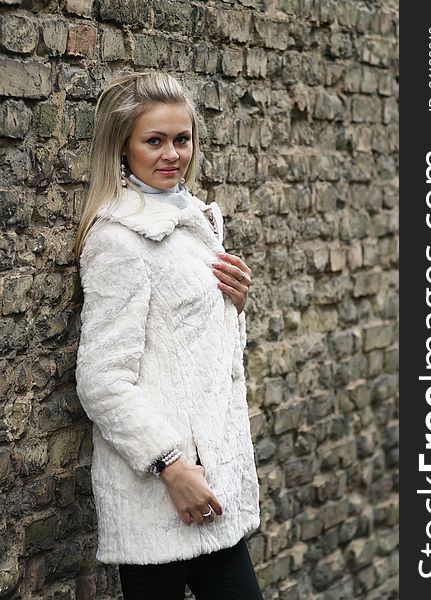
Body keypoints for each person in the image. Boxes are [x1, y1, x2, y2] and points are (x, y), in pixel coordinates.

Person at [73, 71, 264, 599]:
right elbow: (101, 379)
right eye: (153, 140)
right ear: (122, 148)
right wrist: (171, 466)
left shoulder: (195, 222)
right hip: (161, 494)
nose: (172, 154)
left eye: (182, 139)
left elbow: (197, 352)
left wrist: (235, 306)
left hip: (211, 486)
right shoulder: (119, 240)